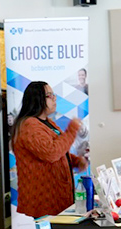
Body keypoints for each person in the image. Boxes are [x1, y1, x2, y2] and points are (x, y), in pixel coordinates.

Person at [12, 81, 87, 218]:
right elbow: (51, 153)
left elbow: (59, 149)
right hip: (43, 199)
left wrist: (76, 161)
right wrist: (72, 129)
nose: (54, 98)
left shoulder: (48, 122)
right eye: (49, 95)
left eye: (54, 95)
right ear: (37, 99)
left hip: (59, 196)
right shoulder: (30, 125)